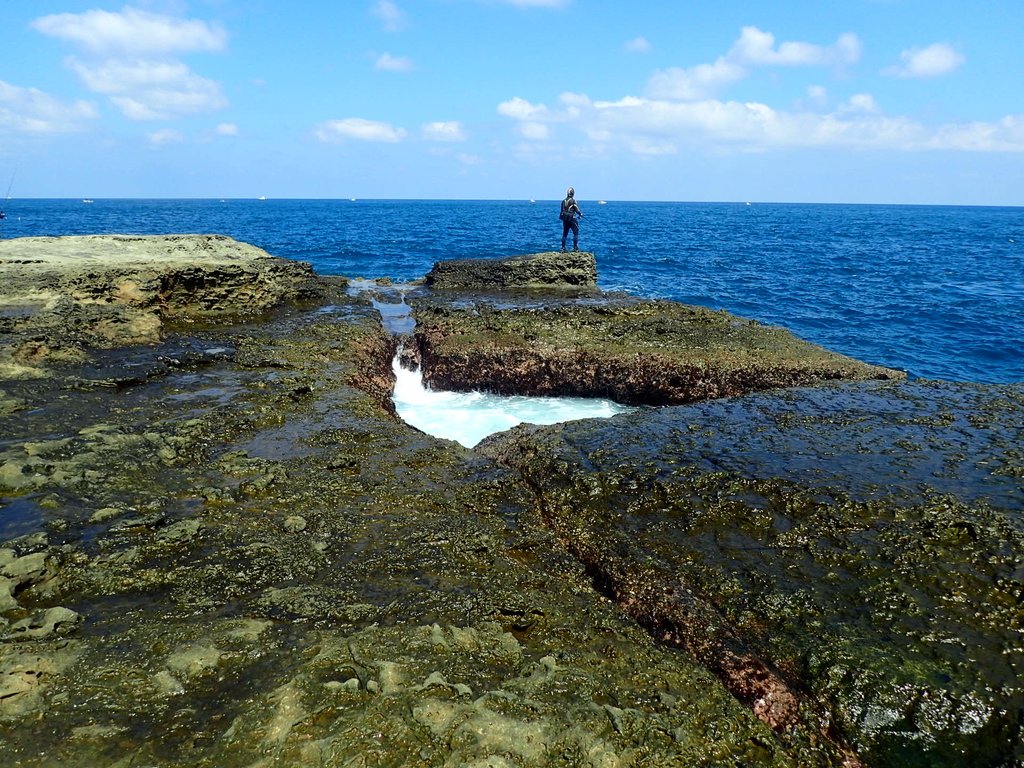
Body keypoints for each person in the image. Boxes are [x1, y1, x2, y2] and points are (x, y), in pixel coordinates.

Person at [559, 187, 583, 252]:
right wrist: (580, 214)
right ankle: (575, 248)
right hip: (572, 219)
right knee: (576, 233)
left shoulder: (563, 201)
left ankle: (563, 248)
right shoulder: (573, 201)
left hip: (565, 220)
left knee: (564, 234)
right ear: (573, 194)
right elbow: (577, 209)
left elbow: (562, 210)